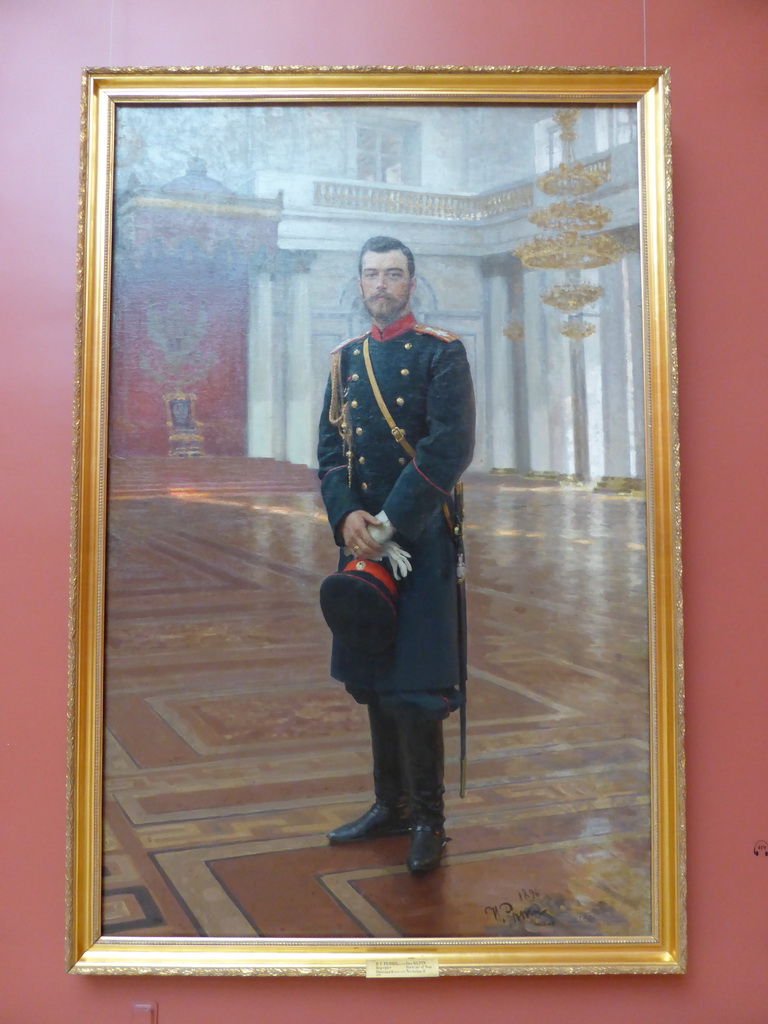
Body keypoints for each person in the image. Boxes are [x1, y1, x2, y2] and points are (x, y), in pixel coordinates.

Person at [317, 236, 475, 873]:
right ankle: (390, 804)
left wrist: (389, 522)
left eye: (393, 274)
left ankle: (429, 823)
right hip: (360, 543)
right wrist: (349, 516)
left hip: (418, 540)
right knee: (374, 683)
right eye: (371, 274)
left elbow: (450, 446)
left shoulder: (443, 353)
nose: (380, 284)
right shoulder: (343, 361)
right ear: (360, 284)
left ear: (411, 282)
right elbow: (330, 454)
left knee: (414, 688)